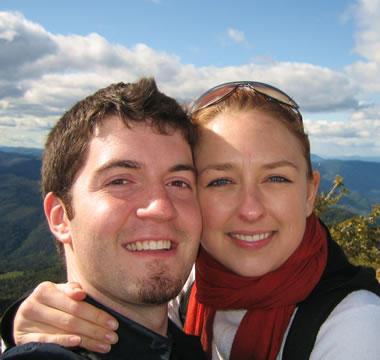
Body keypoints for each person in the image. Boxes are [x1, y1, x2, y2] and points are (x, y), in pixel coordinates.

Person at [2, 81, 380, 359]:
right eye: (220, 180)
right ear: (59, 216)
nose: (250, 209)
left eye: (276, 177)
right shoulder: (193, 288)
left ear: (311, 192)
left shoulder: (355, 328)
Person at [0, 78, 206, 359]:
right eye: (120, 181)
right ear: (60, 217)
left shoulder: (195, 344)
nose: (161, 208)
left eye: (179, 182)